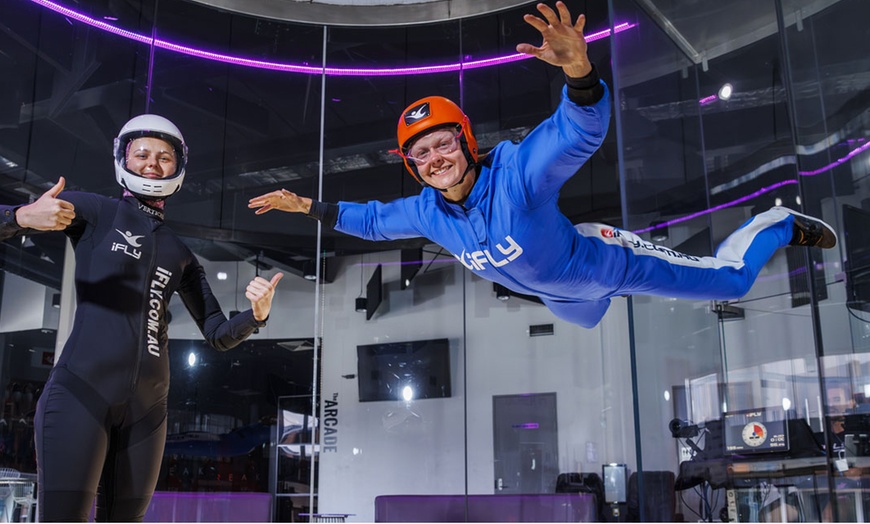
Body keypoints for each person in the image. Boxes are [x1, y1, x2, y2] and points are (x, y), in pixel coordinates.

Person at [248, 1, 836, 329]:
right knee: (588, 320)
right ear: (412, 165)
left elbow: (575, 136)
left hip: (605, 264)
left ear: (467, 142)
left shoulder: (517, 179)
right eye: (420, 154)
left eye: (443, 143)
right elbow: (371, 220)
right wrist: (307, 206)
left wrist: (579, 72)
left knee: (728, 281)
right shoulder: (429, 215)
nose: (435, 159)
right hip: (563, 299)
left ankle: (774, 223)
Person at [0, 114, 283, 521]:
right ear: (123, 159)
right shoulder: (95, 211)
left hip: (148, 412)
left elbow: (219, 334)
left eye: (164, 156)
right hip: (81, 394)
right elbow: (19, 218)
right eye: (142, 153)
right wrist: (21, 217)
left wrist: (257, 315)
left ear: (179, 166)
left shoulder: (181, 253)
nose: (153, 163)